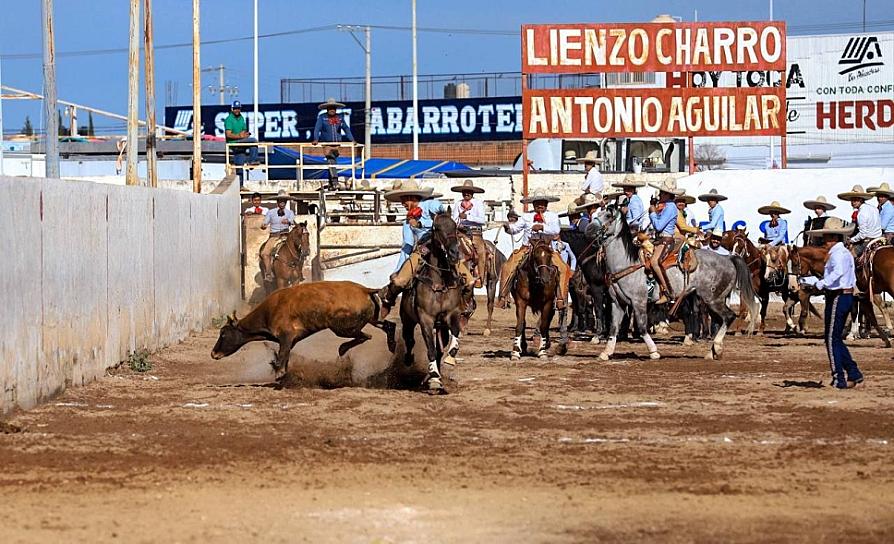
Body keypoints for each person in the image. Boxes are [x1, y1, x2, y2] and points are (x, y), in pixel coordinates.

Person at [378, 180, 475, 318]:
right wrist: (398, 270)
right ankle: (389, 300)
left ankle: (463, 307)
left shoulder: (431, 204)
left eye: (403, 200)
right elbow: (407, 247)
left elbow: (444, 219)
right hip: (422, 250)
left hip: (443, 248)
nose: (402, 203)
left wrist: (421, 223)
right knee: (399, 281)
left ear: (410, 197)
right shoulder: (407, 221)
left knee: (470, 280)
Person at [801, 224, 863, 389]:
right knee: (834, 337)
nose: (824, 241)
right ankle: (853, 372)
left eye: (827, 238)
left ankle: (839, 379)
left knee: (831, 338)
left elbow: (838, 273)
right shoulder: (843, 253)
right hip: (844, 295)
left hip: (838, 296)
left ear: (834, 238)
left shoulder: (837, 254)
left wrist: (821, 284)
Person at [497, 189, 572, 310]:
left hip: (547, 249)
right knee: (508, 266)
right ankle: (503, 296)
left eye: (542, 203)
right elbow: (515, 229)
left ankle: (560, 298)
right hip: (528, 248)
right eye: (537, 203)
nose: (540, 205)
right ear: (533, 204)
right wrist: (507, 227)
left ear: (546, 204)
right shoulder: (526, 216)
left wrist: (542, 226)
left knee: (563, 268)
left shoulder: (552, 216)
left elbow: (556, 230)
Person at [647, 177, 682, 304]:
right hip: (660, 239)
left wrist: (652, 212)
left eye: (662, 192)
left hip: (665, 240)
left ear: (668, 195)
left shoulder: (671, 207)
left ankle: (668, 292)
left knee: (654, 261)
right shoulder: (667, 206)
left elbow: (659, 225)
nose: (660, 194)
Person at [451, 179, 488, 288]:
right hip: (460, 232)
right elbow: (454, 219)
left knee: (481, 252)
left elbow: (482, 220)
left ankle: (481, 278)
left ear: (472, 193)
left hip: (474, 233)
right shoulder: (458, 204)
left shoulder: (478, 203)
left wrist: (468, 217)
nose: (466, 193)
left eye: (469, 191)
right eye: (464, 191)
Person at [312, 98, 355, 190]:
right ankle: (335, 181)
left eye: (334, 108)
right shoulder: (322, 118)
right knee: (331, 160)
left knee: (332, 162)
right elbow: (317, 129)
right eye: (330, 108)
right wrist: (316, 139)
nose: (332, 110)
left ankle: (331, 183)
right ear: (327, 109)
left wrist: (352, 139)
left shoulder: (340, 118)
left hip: (337, 145)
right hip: (327, 145)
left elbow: (346, 129)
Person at [259, 190, 296, 281]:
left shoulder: (290, 212)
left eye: (283, 201)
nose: (282, 202)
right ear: (277, 202)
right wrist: (263, 225)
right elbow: (265, 222)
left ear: (286, 202)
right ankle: (268, 273)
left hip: (286, 236)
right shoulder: (271, 212)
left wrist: (288, 221)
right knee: (264, 253)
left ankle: (299, 272)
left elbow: (292, 221)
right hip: (274, 236)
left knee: (301, 250)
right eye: (280, 200)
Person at [838, 185, 881, 258]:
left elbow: (863, 234)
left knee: (849, 256)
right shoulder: (874, 208)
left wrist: (851, 240)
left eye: (855, 200)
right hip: (879, 238)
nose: (852, 202)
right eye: (852, 200)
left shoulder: (861, 214)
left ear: (861, 199)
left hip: (868, 240)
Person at [757, 200, 791, 274]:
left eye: (774, 212)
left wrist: (771, 244)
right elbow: (766, 237)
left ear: (778, 213)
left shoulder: (783, 223)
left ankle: (787, 274)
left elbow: (781, 236)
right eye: (771, 212)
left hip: (779, 244)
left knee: (786, 256)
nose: (772, 214)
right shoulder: (767, 225)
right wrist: (763, 241)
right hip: (768, 244)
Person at [224, 100, 260, 166]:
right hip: (233, 143)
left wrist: (245, 135)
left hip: (240, 142)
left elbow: (243, 129)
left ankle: (245, 168)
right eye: (235, 108)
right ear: (232, 109)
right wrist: (240, 136)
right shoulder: (229, 119)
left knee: (240, 165)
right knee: (254, 141)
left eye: (238, 108)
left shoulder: (241, 118)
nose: (237, 110)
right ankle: (253, 160)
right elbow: (228, 134)